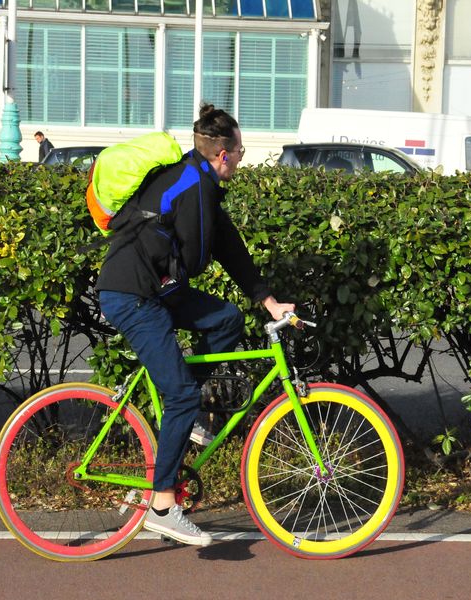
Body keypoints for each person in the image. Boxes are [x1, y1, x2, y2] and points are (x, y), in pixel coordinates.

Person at [96, 104, 294, 547]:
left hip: (154, 288)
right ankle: (163, 506)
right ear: (222, 155)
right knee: (183, 395)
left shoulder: (198, 180)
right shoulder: (194, 187)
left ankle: (183, 416)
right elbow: (200, 254)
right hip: (132, 294)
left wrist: (269, 302)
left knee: (227, 319)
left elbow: (230, 247)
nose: (241, 159)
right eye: (239, 152)